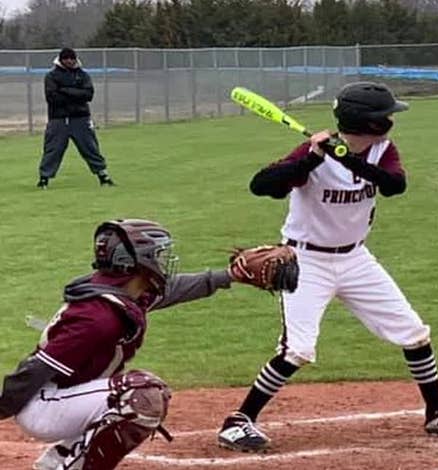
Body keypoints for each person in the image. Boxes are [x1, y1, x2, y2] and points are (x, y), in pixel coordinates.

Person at [217, 81, 438, 453]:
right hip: (307, 260)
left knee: (413, 332)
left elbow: (395, 186)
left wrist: (346, 158)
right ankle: (238, 422)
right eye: (386, 116)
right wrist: (312, 158)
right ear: (369, 122)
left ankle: (437, 412)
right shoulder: (313, 154)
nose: (391, 121)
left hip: (356, 259)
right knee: (298, 349)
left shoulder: (382, 151)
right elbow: (262, 186)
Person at [0, 219, 255, 469]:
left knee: (146, 394)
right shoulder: (97, 318)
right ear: (134, 260)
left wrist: (228, 276)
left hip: (65, 395)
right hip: (44, 406)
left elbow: (172, 290)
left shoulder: (121, 293)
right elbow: (36, 369)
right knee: (141, 395)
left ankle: (59, 459)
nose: (162, 262)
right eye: (157, 255)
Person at [38, 47, 115, 189]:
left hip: (81, 118)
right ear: (60, 60)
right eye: (66, 59)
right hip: (58, 119)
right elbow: (52, 97)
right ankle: (44, 178)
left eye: (71, 58)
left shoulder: (83, 75)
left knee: (90, 147)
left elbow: (88, 94)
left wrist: (65, 90)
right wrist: (76, 94)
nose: (69, 61)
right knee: (53, 149)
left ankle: (103, 175)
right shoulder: (52, 76)